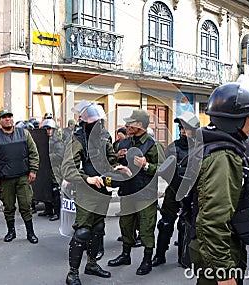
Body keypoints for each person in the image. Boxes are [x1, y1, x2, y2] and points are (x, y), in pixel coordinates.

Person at [188, 82, 249, 284]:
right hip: (219, 256)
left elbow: (232, 201)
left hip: (223, 248)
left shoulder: (227, 149)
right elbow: (212, 222)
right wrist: (224, 274)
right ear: (234, 120)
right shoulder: (222, 157)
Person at [61, 101, 125, 285]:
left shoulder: (104, 137)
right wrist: (87, 178)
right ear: (85, 123)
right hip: (86, 191)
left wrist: (118, 168)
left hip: (103, 189)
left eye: (100, 122)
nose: (98, 126)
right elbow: (67, 168)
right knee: (82, 231)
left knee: (98, 229)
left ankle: (92, 264)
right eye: (94, 122)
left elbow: (111, 160)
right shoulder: (78, 140)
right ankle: (72, 273)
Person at [108, 109, 166, 276]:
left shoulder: (153, 145)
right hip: (127, 191)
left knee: (146, 228)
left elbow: (164, 168)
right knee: (126, 225)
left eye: (131, 123)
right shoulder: (124, 143)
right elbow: (114, 163)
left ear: (140, 125)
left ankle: (147, 260)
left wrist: (146, 166)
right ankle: (125, 255)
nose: (127, 125)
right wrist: (118, 160)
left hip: (145, 194)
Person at [152, 111, 199, 268]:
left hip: (191, 192)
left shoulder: (200, 149)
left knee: (186, 225)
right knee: (165, 223)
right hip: (173, 191)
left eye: (186, 128)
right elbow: (165, 168)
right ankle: (159, 255)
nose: (182, 132)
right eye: (181, 128)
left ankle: (184, 256)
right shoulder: (174, 147)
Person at [0, 109, 40, 244]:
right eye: (4, 117)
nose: (7, 119)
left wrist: (33, 170)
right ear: (0, 121)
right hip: (6, 179)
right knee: (8, 206)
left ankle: (30, 233)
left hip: (23, 177)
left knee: (26, 205)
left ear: (13, 119)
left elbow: (33, 153)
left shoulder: (24, 133)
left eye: (10, 116)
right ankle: (11, 231)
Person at [38, 119, 64, 221]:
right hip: (44, 168)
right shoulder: (43, 140)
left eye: (49, 129)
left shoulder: (57, 141)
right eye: (46, 129)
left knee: (54, 191)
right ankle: (48, 210)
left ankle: (57, 212)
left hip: (55, 169)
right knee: (45, 189)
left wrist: (48, 156)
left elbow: (59, 155)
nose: (48, 131)